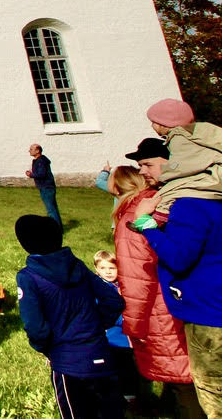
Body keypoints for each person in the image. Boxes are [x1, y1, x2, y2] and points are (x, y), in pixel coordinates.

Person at [127, 148, 222, 417]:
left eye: (148, 164)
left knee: (214, 391)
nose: (142, 171)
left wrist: (145, 223)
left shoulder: (189, 203)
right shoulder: (214, 195)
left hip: (208, 312)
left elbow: (179, 257)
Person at [109, 151, 203, 416]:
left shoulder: (134, 216)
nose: (142, 171)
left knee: (182, 376)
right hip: (188, 298)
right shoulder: (174, 201)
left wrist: (134, 323)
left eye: (146, 164)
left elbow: (136, 275)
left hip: (160, 306)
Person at [15, 214, 125, 419]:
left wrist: (47, 348)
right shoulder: (78, 266)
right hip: (103, 356)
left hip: (69, 365)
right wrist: (96, 326)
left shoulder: (28, 277)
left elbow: (35, 327)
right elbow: (114, 300)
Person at [145, 99, 222, 213]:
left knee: (164, 195)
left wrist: (165, 174)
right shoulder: (200, 131)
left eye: (153, 122)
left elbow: (181, 166)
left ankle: (156, 219)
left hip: (211, 177)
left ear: (163, 123)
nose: (152, 126)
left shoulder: (179, 138)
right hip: (215, 173)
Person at [93, 250, 140, 407]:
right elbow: (103, 312)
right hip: (110, 337)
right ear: (96, 270)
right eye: (103, 268)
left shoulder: (122, 286)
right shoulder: (98, 289)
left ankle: (130, 395)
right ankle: (111, 396)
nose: (108, 272)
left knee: (128, 367)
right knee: (113, 367)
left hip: (125, 339)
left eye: (112, 268)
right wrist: (122, 320)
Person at [26, 143, 61, 225]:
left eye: (31, 149)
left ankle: (55, 229)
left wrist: (31, 175)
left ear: (37, 151)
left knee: (51, 210)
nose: (29, 151)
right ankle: (58, 228)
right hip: (47, 187)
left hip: (46, 187)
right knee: (53, 208)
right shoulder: (39, 160)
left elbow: (42, 174)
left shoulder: (41, 161)